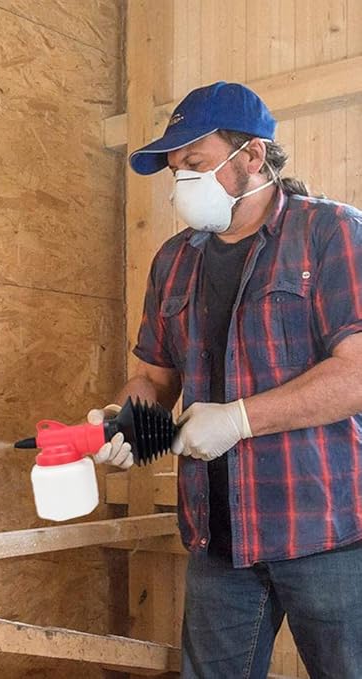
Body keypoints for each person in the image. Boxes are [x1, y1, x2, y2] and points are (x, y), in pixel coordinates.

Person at [89, 81, 362, 679]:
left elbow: (358, 373)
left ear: (253, 156)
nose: (183, 182)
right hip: (217, 537)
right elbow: (152, 376)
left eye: (196, 163)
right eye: (176, 171)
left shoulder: (332, 232)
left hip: (329, 531)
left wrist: (239, 419)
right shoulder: (174, 260)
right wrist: (126, 418)